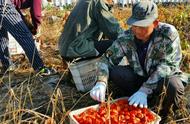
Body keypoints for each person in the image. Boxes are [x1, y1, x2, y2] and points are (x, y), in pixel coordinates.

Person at [90, 1, 189, 123]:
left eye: (142, 27)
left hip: (160, 80)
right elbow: (106, 59)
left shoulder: (168, 34)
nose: (137, 30)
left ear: (155, 23)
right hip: (140, 76)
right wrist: (101, 82)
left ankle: (163, 114)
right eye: (134, 25)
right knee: (116, 72)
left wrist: (145, 89)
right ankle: (135, 101)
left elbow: (168, 66)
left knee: (174, 85)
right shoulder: (126, 37)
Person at [0, 0, 55, 75]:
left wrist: (29, 27)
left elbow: (15, 11)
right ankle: (39, 68)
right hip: (3, 4)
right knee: (26, 36)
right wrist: (37, 26)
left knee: (2, 38)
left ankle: (7, 66)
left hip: (4, 5)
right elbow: (36, 12)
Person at [58, 0, 123, 63]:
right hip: (75, 49)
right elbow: (114, 31)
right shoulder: (98, 2)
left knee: (105, 44)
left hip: (65, 48)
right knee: (117, 45)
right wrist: (130, 38)